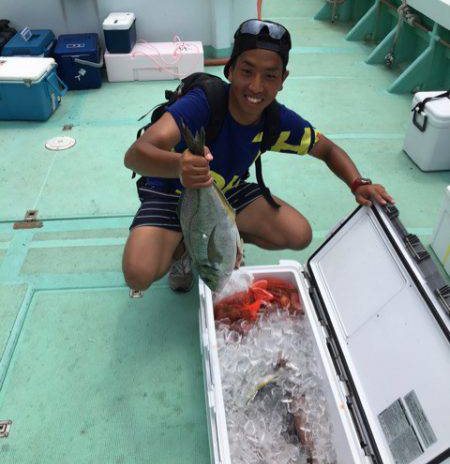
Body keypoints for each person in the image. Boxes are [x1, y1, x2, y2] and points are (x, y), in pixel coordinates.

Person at [122, 19, 394, 294]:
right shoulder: (203, 103)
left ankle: (225, 241)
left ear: (283, 80)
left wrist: (358, 183)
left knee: (298, 234)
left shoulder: (277, 120)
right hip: (170, 190)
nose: (256, 86)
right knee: (138, 274)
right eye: (247, 71)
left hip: (223, 191)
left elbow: (328, 150)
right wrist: (180, 166)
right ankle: (182, 250)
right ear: (230, 70)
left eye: (270, 76)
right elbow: (135, 156)